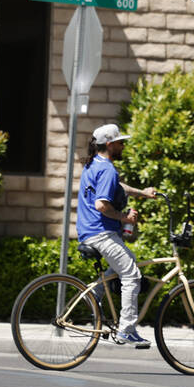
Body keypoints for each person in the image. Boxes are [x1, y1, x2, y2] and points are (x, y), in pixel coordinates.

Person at [76, 123, 158, 348]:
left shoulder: (93, 165)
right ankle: (127, 330)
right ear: (110, 144)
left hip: (89, 230)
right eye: (121, 142)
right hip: (101, 232)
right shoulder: (107, 168)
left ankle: (92, 297)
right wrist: (125, 218)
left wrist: (143, 193)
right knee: (132, 275)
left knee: (124, 264)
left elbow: (116, 186)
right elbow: (102, 204)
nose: (124, 146)